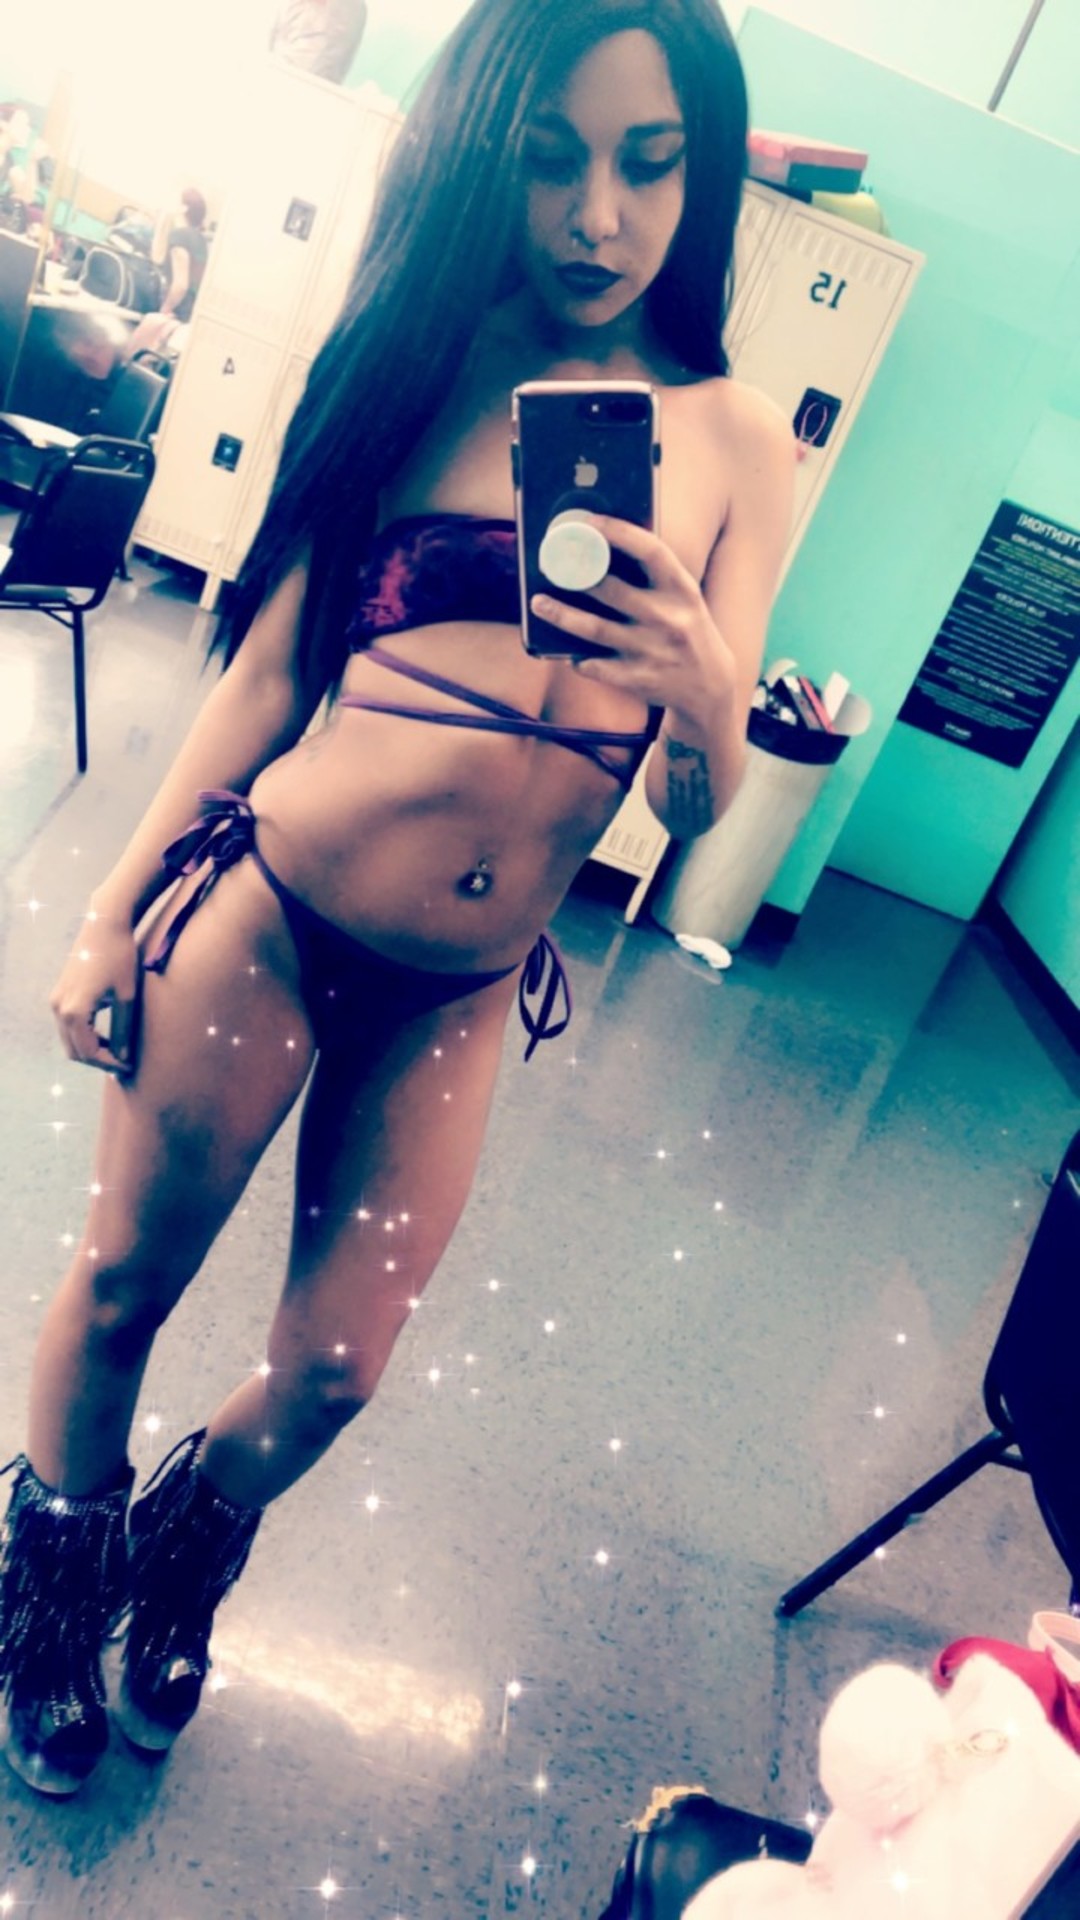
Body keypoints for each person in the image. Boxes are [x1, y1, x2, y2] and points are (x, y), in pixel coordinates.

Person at [0, 0, 795, 1797]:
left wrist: (701, 690)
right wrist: (113, 909)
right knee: (122, 1283)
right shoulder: (416, 370)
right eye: (552, 160)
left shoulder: (742, 442)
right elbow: (267, 678)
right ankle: (47, 1595)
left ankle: (178, 1541)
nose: (599, 215)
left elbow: (695, 806)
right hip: (272, 919)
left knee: (338, 1370)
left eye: (650, 163)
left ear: (702, 177)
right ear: (487, 161)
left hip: (460, 988)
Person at [159, 187, 209, 324]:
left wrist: (165, 308)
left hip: (176, 309)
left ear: (184, 208)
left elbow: (181, 285)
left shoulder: (180, 235)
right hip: (190, 310)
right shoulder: (200, 240)